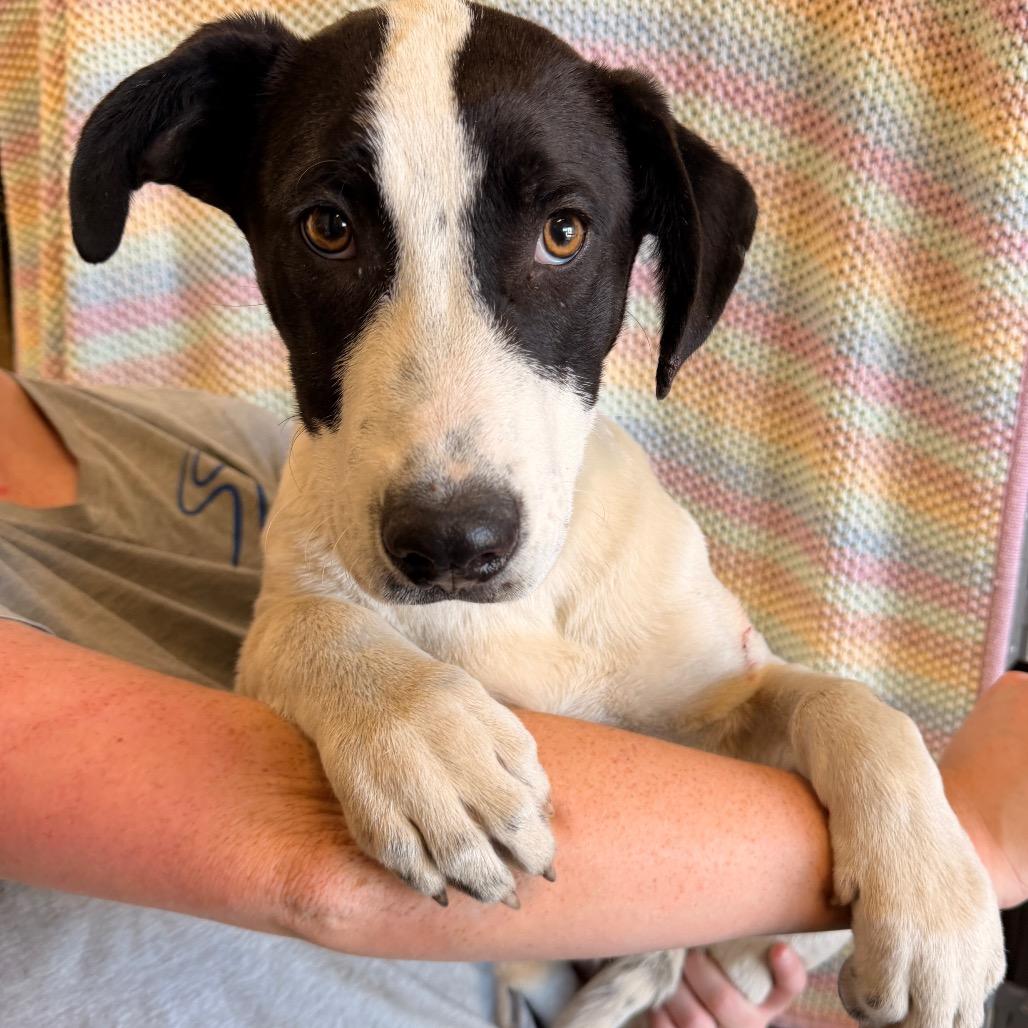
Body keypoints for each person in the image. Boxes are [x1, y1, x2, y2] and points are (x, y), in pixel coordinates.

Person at [1, 370, 1025, 1027]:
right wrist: (964, 835)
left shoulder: (179, 431)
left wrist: (669, 938)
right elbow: (306, 858)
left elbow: (722, 708)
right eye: (334, 229)